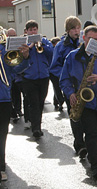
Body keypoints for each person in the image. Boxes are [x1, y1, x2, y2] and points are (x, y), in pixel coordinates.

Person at [60, 25, 97, 178]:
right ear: (83, 38)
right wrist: (70, 93)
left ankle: (92, 152)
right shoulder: (72, 56)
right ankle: (96, 165)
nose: (94, 42)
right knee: (92, 133)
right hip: (84, 101)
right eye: (91, 39)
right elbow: (64, 78)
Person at [50, 16, 86, 156]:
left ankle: (87, 142)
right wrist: (68, 74)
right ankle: (79, 144)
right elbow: (54, 67)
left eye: (78, 28)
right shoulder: (61, 46)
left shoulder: (84, 42)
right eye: (73, 29)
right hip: (71, 85)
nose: (77, 31)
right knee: (75, 115)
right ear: (68, 30)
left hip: (85, 84)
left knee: (87, 115)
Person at [0, 31, 30, 182]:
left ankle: (1, 168)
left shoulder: (4, 51)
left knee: (2, 134)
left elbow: (16, 70)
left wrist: (25, 57)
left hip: (3, 98)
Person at [22, 20, 53, 138]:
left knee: (40, 103)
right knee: (34, 103)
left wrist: (42, 45)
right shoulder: (24, 43)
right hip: (29, 78)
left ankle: (37, 125)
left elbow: (51, 53)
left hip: (43, 77)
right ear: (27, 31)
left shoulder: (43, 40)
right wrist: (29, 47)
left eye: (35, 29)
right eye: (31, 30)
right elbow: (20, 58)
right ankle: (36, 128)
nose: (33, 31)